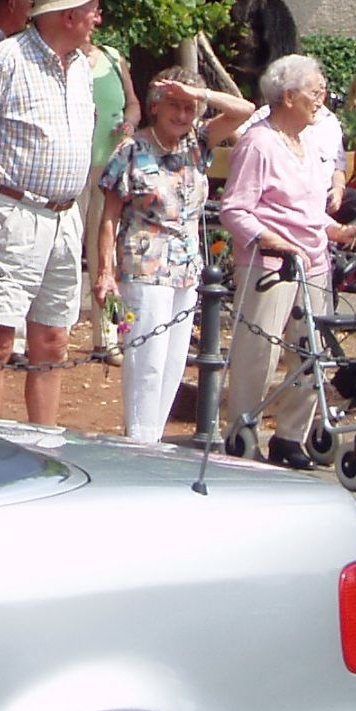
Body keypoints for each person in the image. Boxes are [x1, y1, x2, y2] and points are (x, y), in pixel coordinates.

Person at [0, 0, 106, 426]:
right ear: (66, 15)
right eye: (92, 8)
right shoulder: (4, 60)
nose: (98, 18)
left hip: (66, 218)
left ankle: (46, 442)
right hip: (14, 214)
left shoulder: (83, 66)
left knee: (53, 341)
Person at [219, 54, 356, 469]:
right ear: (287, 97)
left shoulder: (306, 142)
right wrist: (272, 241)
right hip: (270, 265)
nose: (321, 99)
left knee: (311, 350)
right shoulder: (259, 142)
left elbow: (304, 207)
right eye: (314, 92)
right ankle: (241, 433)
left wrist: (336, 230)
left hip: (314, 261)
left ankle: (291, 437)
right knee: (258, 352)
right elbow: (235, 209)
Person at [92, 70, 252, 442]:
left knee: (174, 364)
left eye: (188, 108)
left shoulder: (197, 142)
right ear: (154, 106)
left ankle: (154, 437)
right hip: (144, 265)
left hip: (186, 267)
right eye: (174, 105)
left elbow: (245, 110)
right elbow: (109, 216)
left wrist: (200, 93)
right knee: (147, 360)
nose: (182, 114)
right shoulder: (131, 150)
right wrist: (105, 271)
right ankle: (139, 441)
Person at [80, 32, 140, 360]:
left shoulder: (114, 57)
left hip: (107, 170)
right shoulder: (61, 57)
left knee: (106, 256)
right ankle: (33, 338)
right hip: (70, 170)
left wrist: (129, 125)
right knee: (58, 252)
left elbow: (133, 104)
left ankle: (108, 338)